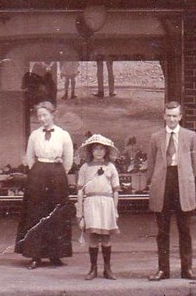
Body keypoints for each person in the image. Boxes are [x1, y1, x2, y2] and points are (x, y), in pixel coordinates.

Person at [145, 101, 196, 281]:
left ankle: (187, 269)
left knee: (184, 230)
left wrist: (186, 177)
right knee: (162, 231)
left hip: (182, 184)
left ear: (180, 117)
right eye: (168, 115)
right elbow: (151, 164)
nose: (171, 119)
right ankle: (163, 270)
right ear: (164, 116)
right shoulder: (156, 137)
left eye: (175, 115)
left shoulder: (190, 136)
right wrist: (155, 182)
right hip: (162, 184)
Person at [14, 101, 74, 269]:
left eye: (45, 115)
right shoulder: (35, 135)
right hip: (38, 175)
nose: (41, 119)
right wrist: (38, 172)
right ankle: (35, 255)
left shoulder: (63, 135)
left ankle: (56, 254)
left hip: (57, 175)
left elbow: (68, 160)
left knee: (56, 214)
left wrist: (57, 172)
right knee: (36, 213)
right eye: (39, 116)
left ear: (52, 115)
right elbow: (29, 158)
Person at [75, 134, 120, 280]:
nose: (99, 152)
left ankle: (107, 269)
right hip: (91, 204)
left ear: (106, 151)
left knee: (106, 237)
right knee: (93, 237)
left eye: (101, 149)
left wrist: (115, 209)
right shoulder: (85, 168)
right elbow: (80, 191)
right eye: (95, 149)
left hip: (106, 204)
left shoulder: (110, 167)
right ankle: (93, 269)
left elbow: (115, 191)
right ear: (90, 151)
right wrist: (80, 212)